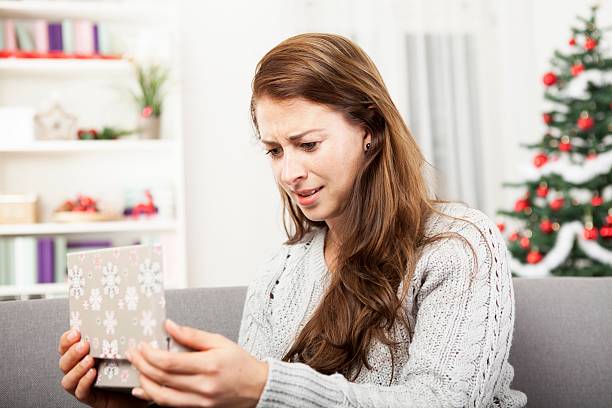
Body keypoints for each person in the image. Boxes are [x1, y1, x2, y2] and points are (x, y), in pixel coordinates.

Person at [58, 33, 527, 407]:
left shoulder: (459, 244)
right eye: (274, 150)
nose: (288, 172)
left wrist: (266, 386)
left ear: (369, 130)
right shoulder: (279, 274)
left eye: (307, 144)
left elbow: (444, 402)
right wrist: (149, 400)